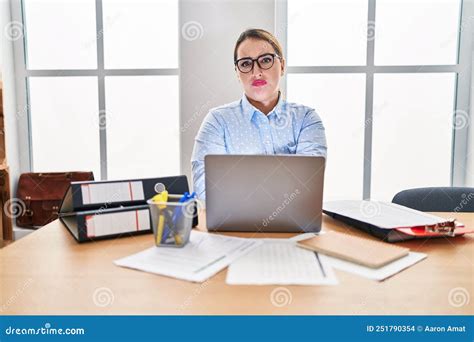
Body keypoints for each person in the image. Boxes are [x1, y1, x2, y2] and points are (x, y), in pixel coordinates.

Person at [191, 28, 327, 202]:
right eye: (246, 64)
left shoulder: (306, 120)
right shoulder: (217, 121)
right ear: (237, 73)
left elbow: (308, 186)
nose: (256, 72)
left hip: (295, 227)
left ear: (282, 66)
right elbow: (206, 191)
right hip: (232, 226)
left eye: (265, 60)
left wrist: (240, 185)